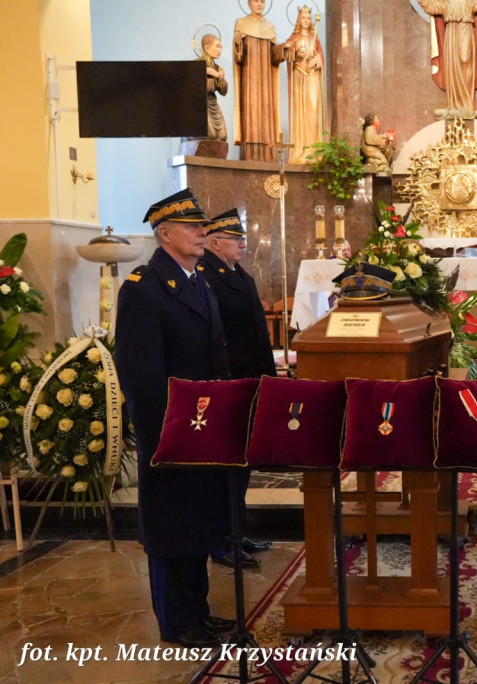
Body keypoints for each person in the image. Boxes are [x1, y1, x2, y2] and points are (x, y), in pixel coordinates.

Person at [115, 189, 233, 649]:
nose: (202, 232)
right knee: (170, 528)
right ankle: (176, 621)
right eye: (192, 226)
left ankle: (197, 611)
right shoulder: (144, 289)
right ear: (165, 234)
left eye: (202, 225)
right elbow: (140, 375)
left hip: (202, 430)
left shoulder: (196, 278)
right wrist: (160, 439)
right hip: (169, 434)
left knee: (199, 522)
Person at [198, 208, 277, 569]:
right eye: (235, 239)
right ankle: (222, 540)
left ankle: (238, 530)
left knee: (241, 463)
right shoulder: (206, 276)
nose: (242, 245)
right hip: (229, 380)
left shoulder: (235, 272)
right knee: (225, 466)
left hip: (249, 378)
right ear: (215, 242)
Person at [416, 0, 477, 112]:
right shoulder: (447, 3)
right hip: (450, 32)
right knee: (452, 65)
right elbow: (432, 6)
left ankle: (467, 101)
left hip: (466, 28)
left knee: (465, 59)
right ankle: (453, 103)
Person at [233, 0, 287, 162]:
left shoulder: (269, 27)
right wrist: (237, 43)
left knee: (266, 113)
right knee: (251, 111)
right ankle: (250, 154)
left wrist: (285, 48)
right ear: (249, 3)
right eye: (256, 1)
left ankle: (268, 155)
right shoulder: (241, 24)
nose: (259, 4)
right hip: (249, 78)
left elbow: (274, 56)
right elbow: (238, 57)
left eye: (262, 1)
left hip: (266, 80)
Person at [282, 6, 326, 163]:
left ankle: (314, 149)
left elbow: (320, 56)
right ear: (298, 20)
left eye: (308, 18)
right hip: (299, 78)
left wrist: (318, 59)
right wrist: (294, 53)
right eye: (303, 18)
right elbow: (286, 53)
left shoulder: (315, 38)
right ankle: (301, 150)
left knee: (313, 109)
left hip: (312, 76)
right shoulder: (294, 38)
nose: (306, 21)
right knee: (301, 111)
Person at [199, 34, 228, 142]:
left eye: (221, 47)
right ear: (207, 47)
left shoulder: (218, 68)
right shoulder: (197, 64)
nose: (219, 50)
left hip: (213, 103)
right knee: (209, 135)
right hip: (201, 104)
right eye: (217, 46)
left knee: (222, 136)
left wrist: (220, 77)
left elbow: (224, 91)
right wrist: (201, 72)